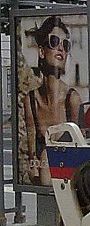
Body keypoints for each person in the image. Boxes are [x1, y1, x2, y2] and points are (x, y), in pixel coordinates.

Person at [21, 16, 82, 186]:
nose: (60, 49)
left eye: (65, 45)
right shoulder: (31, 100)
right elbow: (32, 147)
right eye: (54, 42)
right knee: (44, 158)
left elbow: (83, 146)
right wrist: (34, 164)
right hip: (45, 178)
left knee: (47, 156)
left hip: (69, 180)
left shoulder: (72, 99)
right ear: (41, 51)